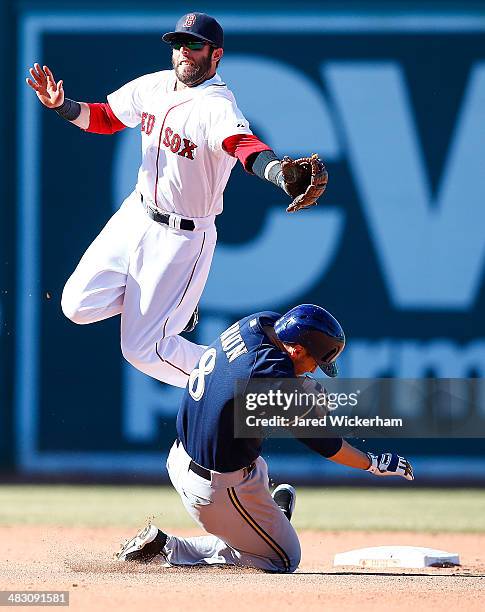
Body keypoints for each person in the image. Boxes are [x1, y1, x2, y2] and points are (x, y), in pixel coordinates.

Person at [25, 12, 327, 387]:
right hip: (134, 215)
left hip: (181, 237)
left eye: (195, 45)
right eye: (179, 44)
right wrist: (62, 105)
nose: (184, 51)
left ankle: (244, 381)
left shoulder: (217, 106)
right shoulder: (154, 86)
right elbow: (106, 118)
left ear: (215, 55)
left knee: (140, 349)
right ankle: (178, 309)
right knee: (77, 306)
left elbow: (244, 146)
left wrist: (280, 173)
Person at [115, 304, 414, 573]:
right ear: (297, 350)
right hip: (214, 490)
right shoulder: (273, 381)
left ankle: (265, 520)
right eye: (315, 362)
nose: (315, 370)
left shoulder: (260, 323)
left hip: (181, 455)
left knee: (254, 459)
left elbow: (263, 370)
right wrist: (372, 463)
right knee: (283, 558)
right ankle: (170, 547)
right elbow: (327, 444)